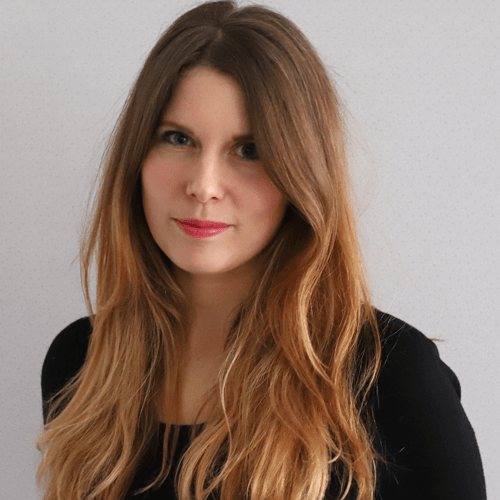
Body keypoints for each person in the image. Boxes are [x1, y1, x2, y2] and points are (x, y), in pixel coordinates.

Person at [37, 1, 487, 499]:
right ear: (136, 156)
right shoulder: (81, 364)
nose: (204, 185)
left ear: (301, 174)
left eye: (249, 150)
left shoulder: (390, 378)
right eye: (178, 138)